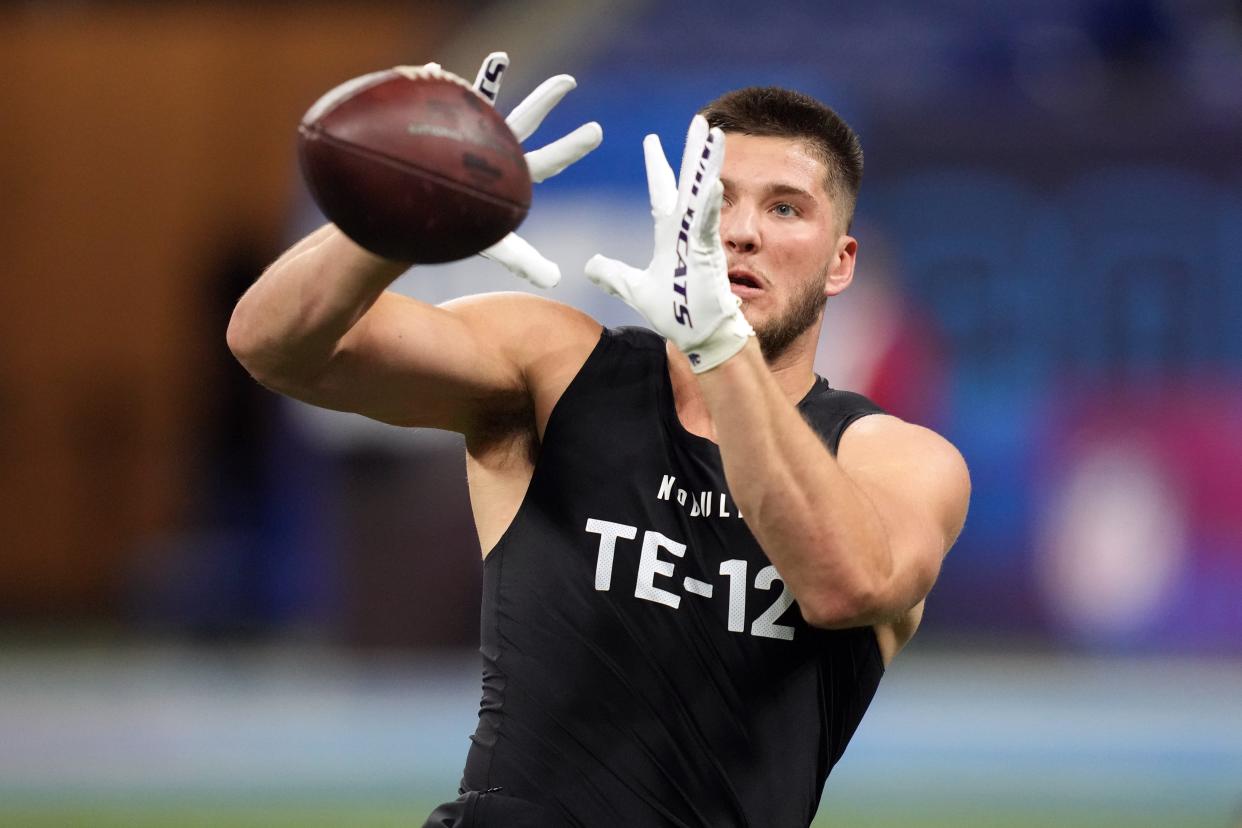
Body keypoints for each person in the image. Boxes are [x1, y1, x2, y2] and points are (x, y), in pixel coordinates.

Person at [228, 53, 970, 828]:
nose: (742, 232)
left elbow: (844, 584)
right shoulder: (555, 367)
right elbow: (273, 346)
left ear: (840, 263)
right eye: (714, 201)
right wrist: (398, 222)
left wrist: (718, 350)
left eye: (786, 209)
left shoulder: (898, 459)